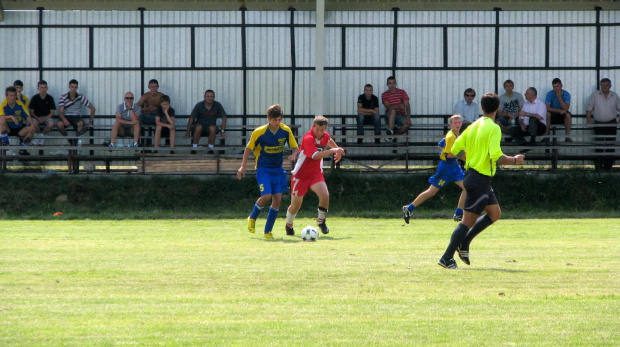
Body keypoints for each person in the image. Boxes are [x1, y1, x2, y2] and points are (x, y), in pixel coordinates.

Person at [437, 93, 525, 270]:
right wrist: (515, 160)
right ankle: (446, 258)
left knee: (495, 214)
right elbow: (497, 157)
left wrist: (471, 158)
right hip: (479, 179)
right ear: (497, 109)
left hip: (475, 176)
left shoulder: (474, 125)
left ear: (482, 108)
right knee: (467, 222)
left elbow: (455, 149)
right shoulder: (493, 128)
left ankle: (465, 244)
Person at [237, 104, 299, 239]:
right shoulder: (259, 132)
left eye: (279, 120)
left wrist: (294, 155)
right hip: (263, 168)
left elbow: (295, 147)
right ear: (268, 119)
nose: (277, 123)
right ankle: (252, 217)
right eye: (274, 120)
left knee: (277, 199)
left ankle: (267, 231)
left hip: (278, 169)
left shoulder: (286, 131)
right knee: (266, 196)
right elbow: (248, 149)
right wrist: (242, 166)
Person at [285, 116, 345, 237]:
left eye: (322, 130)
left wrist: (337, 150)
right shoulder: (308, 138)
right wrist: (333, 150)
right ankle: (289, 225)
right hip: (300, 175)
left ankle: (321, 221)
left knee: (325, 195)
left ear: (325, 129)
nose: (319, 132)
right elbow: (315, 156)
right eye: (317, 129)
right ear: (313, 127)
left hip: (315, 173)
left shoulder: (325, 136)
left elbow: (329, 140)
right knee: (296, 205)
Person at [402, 114, 467, 224]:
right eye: (455, 123)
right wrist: (466, 156)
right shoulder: (451, 136)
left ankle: (459, 213)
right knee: (432, 191)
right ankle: (409, 208)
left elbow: (440, 144)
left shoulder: (455, 134)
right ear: (450, 124)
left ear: (461, 123)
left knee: (467, 188)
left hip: (454, 167)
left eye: (459, 122)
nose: (457, 124)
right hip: (446, 168)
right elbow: (449, 155)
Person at [586, 78, 620, 171]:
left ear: (610, 86)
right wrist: (588, 120)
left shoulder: (614, 95)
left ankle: (608, 168)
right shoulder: (595, 94)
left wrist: (619, 121)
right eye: (603, 85)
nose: (604, 87)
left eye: (606, 85)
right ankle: (599, 167)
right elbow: (589, 108)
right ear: (600, 86)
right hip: (598, 124)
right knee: (599, 145)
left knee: (610, 146)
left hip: (611, 123)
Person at [0, 86, 35, 154]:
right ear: (7, 96)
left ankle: (23, 148)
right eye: (11, 95)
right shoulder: (3, 105)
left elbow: (27, 115)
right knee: (1, 120)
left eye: (14, 95)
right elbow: (1, 117)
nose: (13, 97)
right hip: (8, 129)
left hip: (19, 128)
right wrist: (11, 117)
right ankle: (6, 142)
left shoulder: (19, 103)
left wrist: (32, 124)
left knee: (32, 128)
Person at [28, 80, 57, 146]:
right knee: (33, 122)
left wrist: (44, 119)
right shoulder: (34, 98)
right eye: (41, 87)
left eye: (45, 87)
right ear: (38, 88)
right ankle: (40, 136)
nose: (43, 89)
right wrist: (37, 118)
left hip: (47, 117)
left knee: (51, 123)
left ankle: (40, 136)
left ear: (47, 88)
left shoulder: (50, 98)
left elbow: (52, 112)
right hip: (36, 117)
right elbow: (31, 112)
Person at [545, 78, 573, 142]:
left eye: (557, 86)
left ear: (561, 86)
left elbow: (566, 108)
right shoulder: (550, 94)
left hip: (563, 114)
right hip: (553, 113)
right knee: (547, 114)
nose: (556, 88)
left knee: (568, 115)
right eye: (554, 87)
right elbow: (547, 107)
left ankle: (567, 137)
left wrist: (559, 97)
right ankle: (546, 136)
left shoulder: (566, 94)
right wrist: (559, 111)